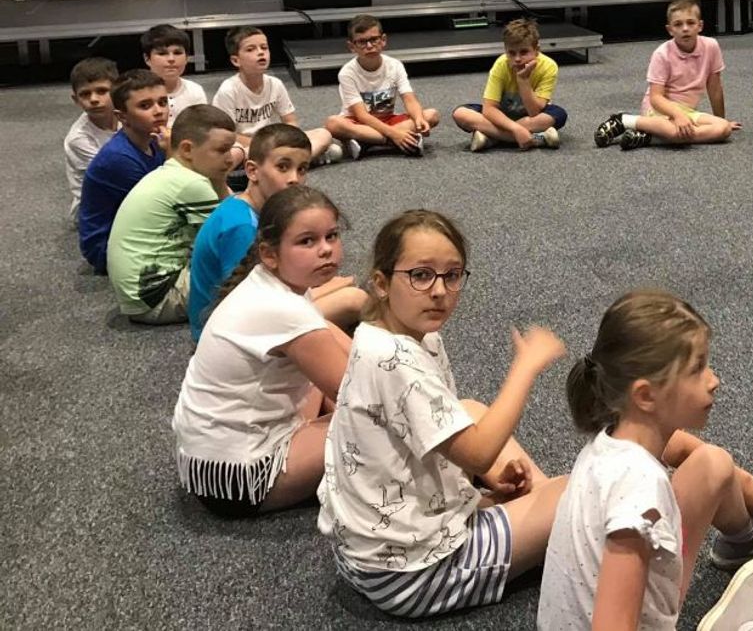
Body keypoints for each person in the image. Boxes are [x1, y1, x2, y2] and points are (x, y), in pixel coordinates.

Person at [538, 290, 753, 631]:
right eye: (697, 369)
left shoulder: (611, 439)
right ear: (646, 395)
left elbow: (682, 450)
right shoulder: (639, 492)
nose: (714, 380)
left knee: (713, 464)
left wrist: (747, 484)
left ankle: (748, 549)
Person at [319, 210, 569, 619]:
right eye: (420, 275)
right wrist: (525, 366)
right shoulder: (395, 360)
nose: (439, 291)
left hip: (373, 551)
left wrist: (480, 489)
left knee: (470, 410)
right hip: (412, 576)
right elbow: (478, 455)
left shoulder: (390, 333)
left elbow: (431, 436)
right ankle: (555, 517)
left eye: (452, 275)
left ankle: (538, 510)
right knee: (578, 492)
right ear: (381, 283)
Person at [173, 186, 358, 517]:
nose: (326, 249)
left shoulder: (271, 284)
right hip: (238, 480)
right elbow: (364, 400)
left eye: (331, 236)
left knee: (329, 347)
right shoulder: (285, 310)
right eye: (307, 241)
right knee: (378, 424)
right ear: (270, 254)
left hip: (205, 465)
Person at [187, 123, 358, 341]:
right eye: (283, 167)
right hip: (227, 331)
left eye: (302, 169)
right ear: (252, 171)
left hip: (247, 314)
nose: (294, 178)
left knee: (341, 285)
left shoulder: (248, 205)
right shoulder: (242, 226)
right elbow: (248, 303)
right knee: (354, 299)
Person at [107, 104, 238, 324]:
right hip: (161, 297)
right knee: (255, 268)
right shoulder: (192, 185)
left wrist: (219, 177)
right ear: (187, 149)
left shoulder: (172, 173)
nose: (230, 159)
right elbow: (231, 235)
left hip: (141, 297)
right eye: (221, 150)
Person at [595, 0, 740, 151]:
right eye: (678, 24)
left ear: (700, 26)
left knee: (724, 129)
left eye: (691, 23)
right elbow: (656, 98)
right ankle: (625, 120)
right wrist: (677, 115)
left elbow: (715, 88)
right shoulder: (661, 54)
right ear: (670, 30)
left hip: (688, 111)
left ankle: (649, 136)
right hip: (659, 111)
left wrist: (720, 119)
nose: (685, 29)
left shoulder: (711, 46)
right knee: (674, 131)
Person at [78, 69, 168, 274]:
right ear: (122, 116)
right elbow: (163, 207)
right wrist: (174, 154)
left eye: (163, 102)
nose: (159, 111)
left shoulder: (154, 140)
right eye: (145, 106)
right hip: (108, 247)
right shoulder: (119, 158)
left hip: (136, 229)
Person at [212, 26, 336, 163]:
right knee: (231, 154)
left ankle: (286, 162)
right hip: (245, 146)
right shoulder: (228, 90)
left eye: (264, 48)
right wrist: (263, 146)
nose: (260, 53)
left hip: (271, 141)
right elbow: (228, 135)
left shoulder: (275, 84)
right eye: (251, 49)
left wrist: (289, 141)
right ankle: (299, 160)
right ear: (236, 60)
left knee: (323, 134)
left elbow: (290, 121)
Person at [323, 15, 440, 158]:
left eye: (374, 39)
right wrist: (394, 133)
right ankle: (397, 140)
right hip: (359, 122)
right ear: (352, 46)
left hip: (388, 120)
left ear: (383, 40)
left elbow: (409, 99)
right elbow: (361, 115)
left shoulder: (395, 65)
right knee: (333, 124)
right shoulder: (347, 73)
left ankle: (367, 142)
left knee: (431, 115)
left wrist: (418, 118)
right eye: (362, 42)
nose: (369, 46)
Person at [451, 18, 566, 152]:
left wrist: (523, 80)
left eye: (524, 52)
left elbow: (534, 112)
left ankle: (492, 137)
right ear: (506, 51)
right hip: (502, 115)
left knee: (558, 115)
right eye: (511, 53)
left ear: (537, 50)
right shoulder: (501, 64)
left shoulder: (548, 66)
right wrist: (515, 129)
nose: (517, 59)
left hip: (529, 117)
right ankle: (536, 138)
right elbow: (489, 109)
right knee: (460, 113)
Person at [63, 56, 118, 224]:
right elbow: (114, 174)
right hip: (94, 206)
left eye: (102, 91)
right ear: (76, 100)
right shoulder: (78, 138)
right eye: (85, 94)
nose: (94, 99)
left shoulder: (126, 118)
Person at [142, 24, 208, 123]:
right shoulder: (136, 94)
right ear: (147, 59)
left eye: (177, 53)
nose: (171, 59)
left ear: (186, 58)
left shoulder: (195, 91)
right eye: (162, 53)